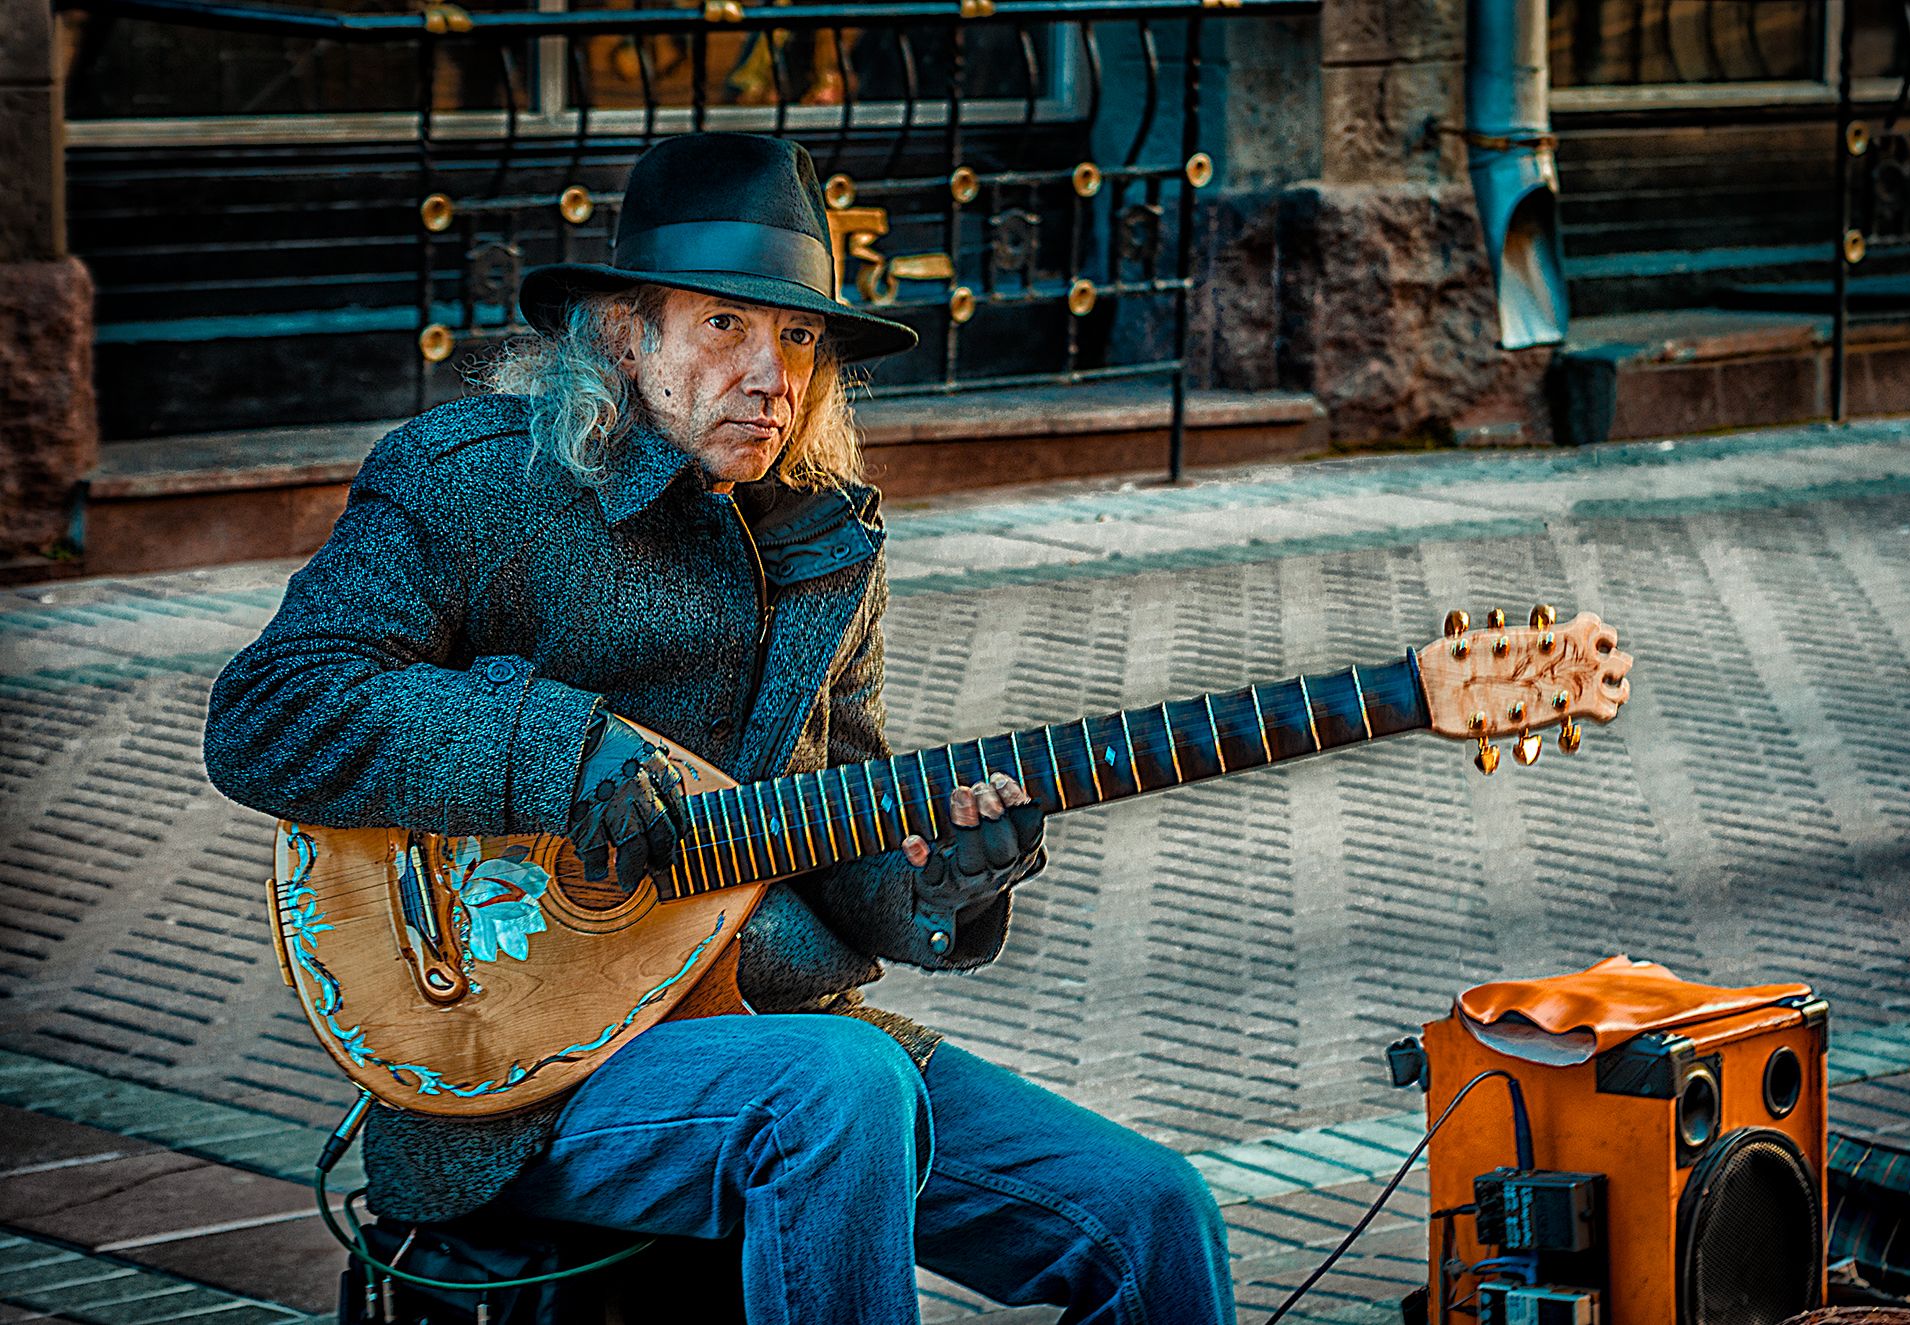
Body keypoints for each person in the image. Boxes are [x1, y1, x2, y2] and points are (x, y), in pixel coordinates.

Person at [202, 132, 1233, 1323]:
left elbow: (838, 820)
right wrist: (557, 752)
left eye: (797, 336)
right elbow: (270, 711)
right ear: (625, 334)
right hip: (525, 1060)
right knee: (838, 1087)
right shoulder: (466, 484)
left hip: (771, 1017)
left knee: (1150, 1209)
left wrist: (946, 886)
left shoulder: (822, 541)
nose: (772, 373)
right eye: (726, 326)